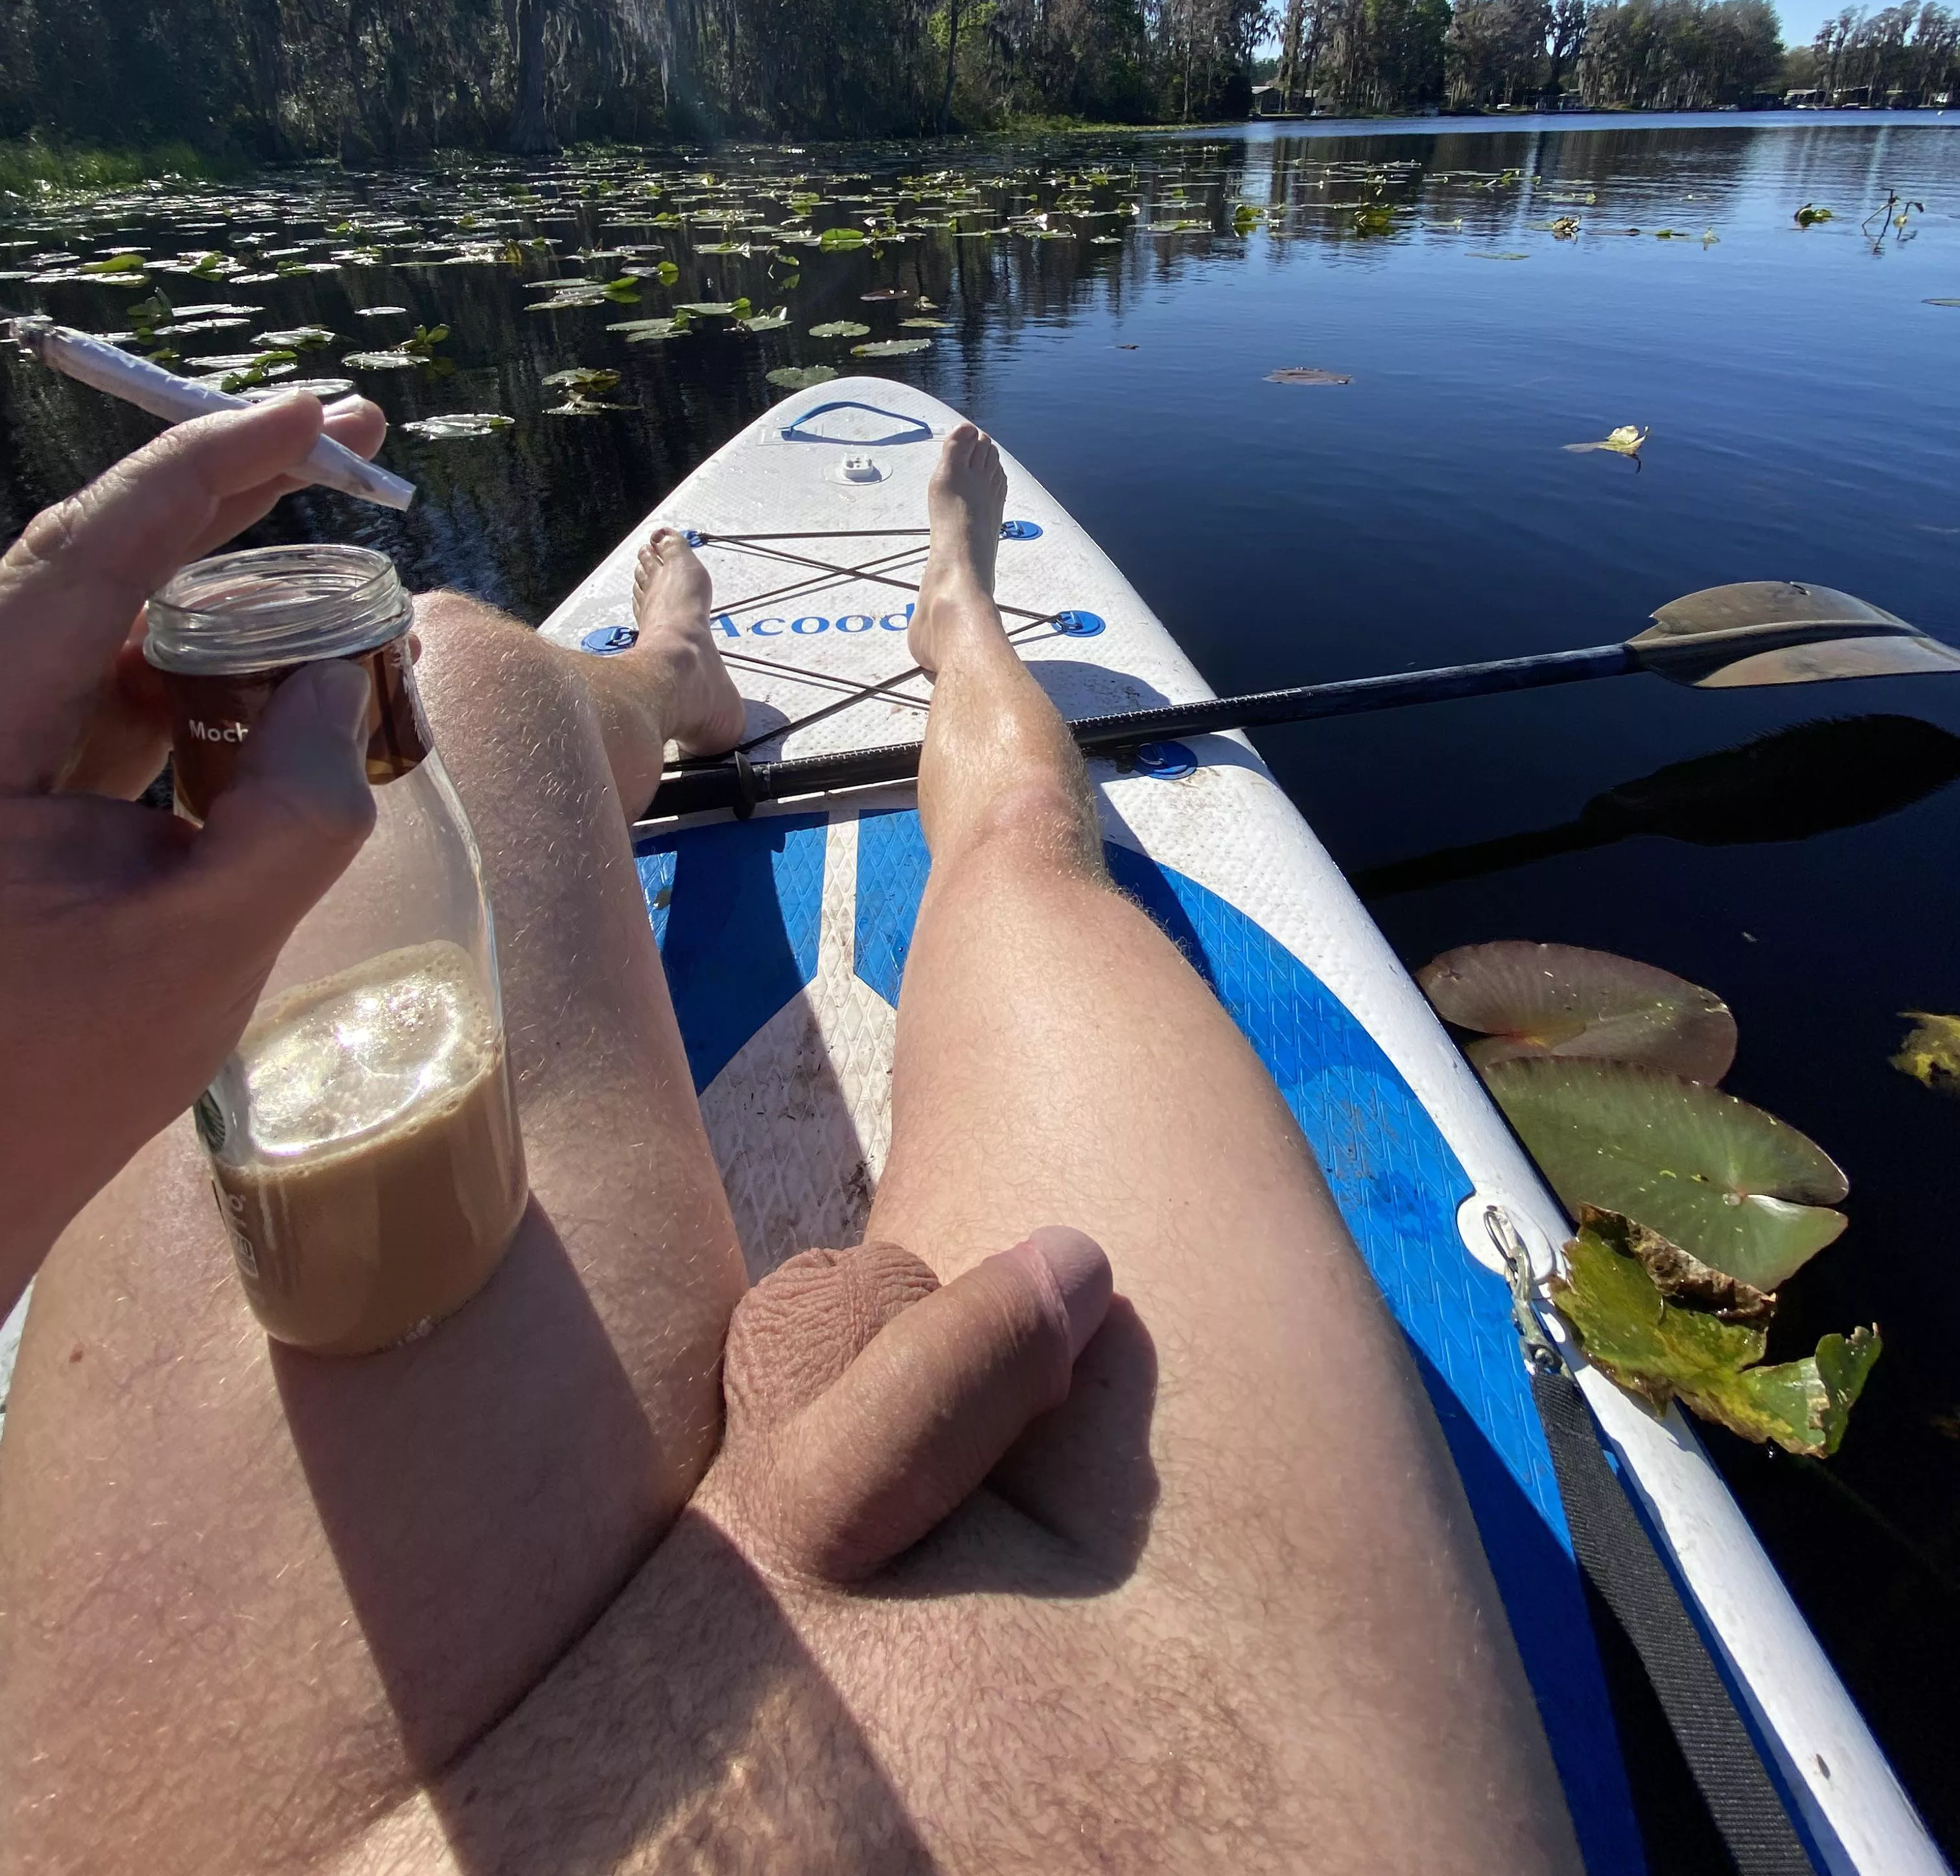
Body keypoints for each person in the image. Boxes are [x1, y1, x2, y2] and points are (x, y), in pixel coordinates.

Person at [0, 391, 1581, 1875]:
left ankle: (674, 675)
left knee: (457, 673)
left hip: (353, 1798)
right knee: (1023, 853)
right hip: (1115, 1720)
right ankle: (954, 632)